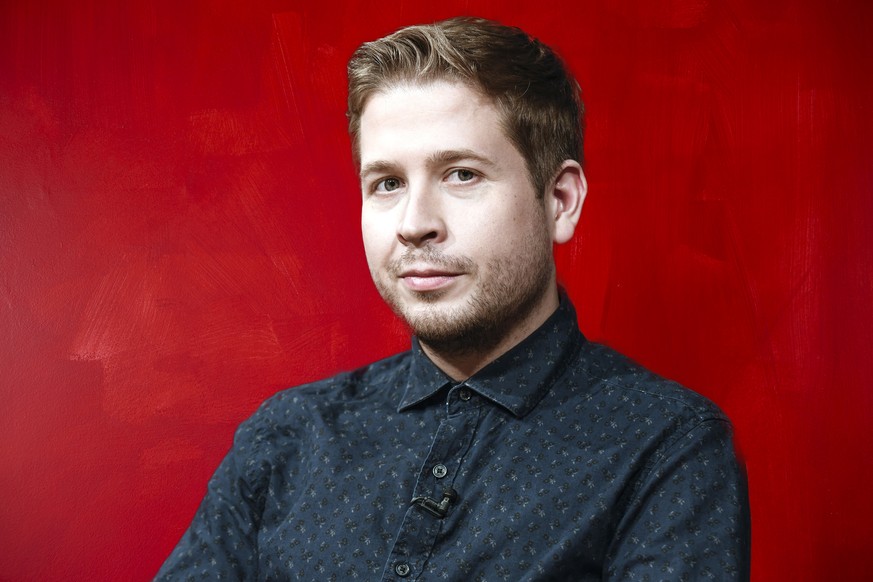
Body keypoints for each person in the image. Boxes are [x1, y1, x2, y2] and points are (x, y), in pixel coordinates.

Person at [156, 16, 751, 581]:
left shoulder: (667, 446)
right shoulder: (287, 435)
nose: (414, 223)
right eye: (387, 183)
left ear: (561, 201)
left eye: (461, 174)